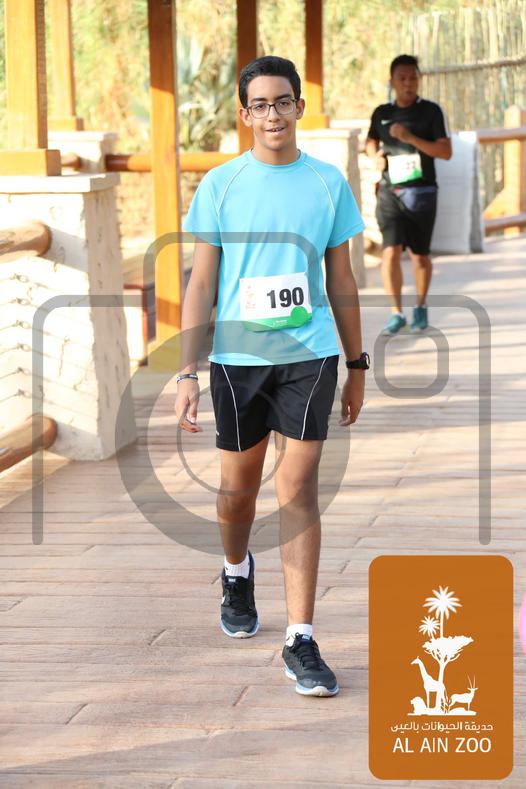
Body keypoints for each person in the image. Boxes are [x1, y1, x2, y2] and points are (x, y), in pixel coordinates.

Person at [175, 55, 367, 696]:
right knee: (237, 491)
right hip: (238, 361)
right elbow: (201, 282)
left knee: (298, 488)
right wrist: (187, 371)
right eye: (259, 105)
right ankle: (236, 569)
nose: (273, 114)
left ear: (299, 107)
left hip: (309, 356)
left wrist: (357, 363)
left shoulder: (327, 184)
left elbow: (341, 280)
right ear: (244, 114)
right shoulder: (221, 185)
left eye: (283, 101)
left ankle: (301, 638)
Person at [366, 54, 452, 335]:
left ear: (419, 79)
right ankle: (396, 313)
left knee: (419, 256)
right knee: (390, 252)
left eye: (413, 78)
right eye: (402, 78)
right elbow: (370, 142)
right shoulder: (381, 112)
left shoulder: (431, 112)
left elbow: (445, 151)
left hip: (422, 192)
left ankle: (420, 307)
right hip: (389, 191)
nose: (408, 83)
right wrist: (375, 156)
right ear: (392, 81)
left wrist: (410, 138)